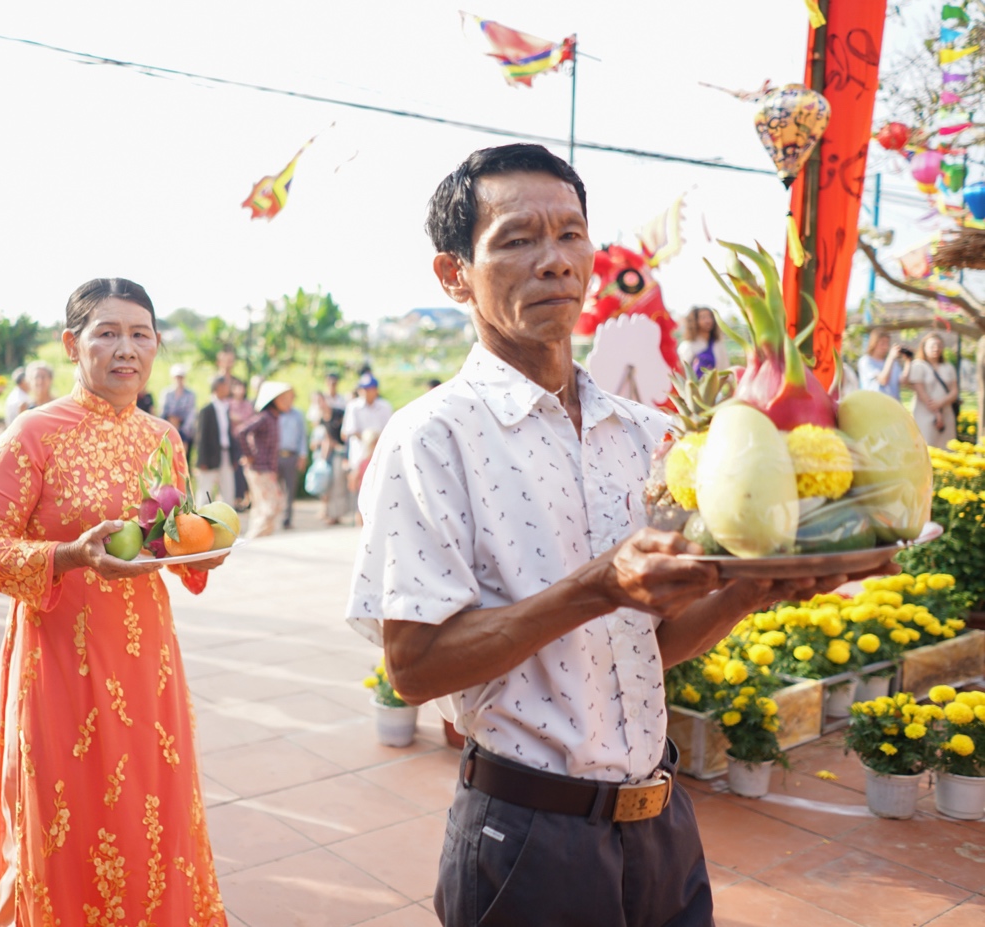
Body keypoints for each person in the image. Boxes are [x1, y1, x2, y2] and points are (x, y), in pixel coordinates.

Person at [348, 144, 870, 927]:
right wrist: (597, 586)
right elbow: (414, 667)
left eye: (570, 234)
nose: (555, 261)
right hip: (525, 837)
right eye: (518, 239)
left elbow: (641, 647)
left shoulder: (651, 436)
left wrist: (754, 587)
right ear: (454, 274)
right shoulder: (432, 437)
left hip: (660, 822)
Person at [0, 277, 227, 926]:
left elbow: (172, 540)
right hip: (61, 660)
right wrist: (70, 556)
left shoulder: (163, 437)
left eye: (139, 333)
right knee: (66, 812)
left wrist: (202, 551)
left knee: (150, 809)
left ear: (156, 345)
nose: (125, 348)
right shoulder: (31, 435)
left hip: (146, 661)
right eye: (106, 332)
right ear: (71, 343)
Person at [235, 380, 293, 538]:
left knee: (263, 506)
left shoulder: (273, 418)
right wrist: (249, 455)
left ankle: (262, 536)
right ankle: (255, 536)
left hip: (266, 469)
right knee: (272, 505)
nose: (288, 402)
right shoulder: (265, 418)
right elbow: (241, 431)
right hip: (260, 469)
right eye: (283, 399)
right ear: (273, 401)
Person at [342, 372, 393, 497]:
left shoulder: (385, 406)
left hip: (379, 453)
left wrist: (375, 443)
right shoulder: (353, 406)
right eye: (364, 389)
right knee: (358, 491)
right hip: (360, 454)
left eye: (369, 389)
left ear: (376, 390)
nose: (366, 392)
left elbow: (388, 431)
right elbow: (350, 431)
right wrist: (368, 441)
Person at [906, 332, 959, 448]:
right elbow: (921, 393)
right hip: (924, 413)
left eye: (939, 346)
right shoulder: (918, 366)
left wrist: (941, 404)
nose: (936, 349)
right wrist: (937, 414)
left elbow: (954, 391)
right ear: (924, 347)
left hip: (946, 412)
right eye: (932, 346)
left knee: (947, 447)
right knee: (926, 446)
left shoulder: (948, 366)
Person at [193, 374, 237, 505]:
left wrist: (234, 456)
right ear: (218, 387)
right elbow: (201, 436)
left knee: (228, 489)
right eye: (226, 386)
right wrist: (202, 460)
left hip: (225, 453)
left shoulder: (226, 408)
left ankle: (227, 519)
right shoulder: (207, 410)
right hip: (210, 456)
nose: (228, 389)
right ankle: (200, 521)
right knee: (205, 490)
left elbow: (228, 434)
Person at [308, 390, 350, 525]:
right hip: (327, 455)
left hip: (340, 453)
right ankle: (331, 513)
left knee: (338, 484)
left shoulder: (339, 413)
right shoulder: (320, 419)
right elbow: (321, 439)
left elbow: (346, 434)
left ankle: (337, 514)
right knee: (329, 485)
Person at [276, 388, 308, 529]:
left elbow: (302, 436)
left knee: (290, 489)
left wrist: (303, 455)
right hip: (276, 456)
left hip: (291, 456)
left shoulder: (298, 414)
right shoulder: (275, 414)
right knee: (276, 489)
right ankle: (275, 517)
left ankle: (287, 519)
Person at [676, 306, 728, 376]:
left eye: (710, 317)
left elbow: (725, 368)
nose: (708, 321)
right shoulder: (688, 345)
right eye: (703, 318)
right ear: (694, 321)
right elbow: (682, 370)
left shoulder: (718, 344)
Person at [857, 328, 908, 398]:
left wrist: (908, 361)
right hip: (875, 404)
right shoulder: (866, 361)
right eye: (882, 343)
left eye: (887, 343)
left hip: (893, 404)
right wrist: (890, 357)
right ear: (874, 343)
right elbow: (883, 380)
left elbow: (903, 382)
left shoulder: (893, 362)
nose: (885, 347)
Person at [227, 377, 254, 511]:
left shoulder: (248, 405)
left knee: (245, 470)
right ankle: (235, 499)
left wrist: (237, 419)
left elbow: (248, 421)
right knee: (234, 471)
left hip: (244, 442)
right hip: (231, 442)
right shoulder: (229, 403)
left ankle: (247, 498)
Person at [160, 362, 198, 449]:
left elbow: (191, 414)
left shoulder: (190, 394)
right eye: (177, 377)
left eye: (181, 377)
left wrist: (183, 430)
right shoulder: (167, 393)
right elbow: (163, 412)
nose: (179, 380)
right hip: (168, 429)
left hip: (184, 431)